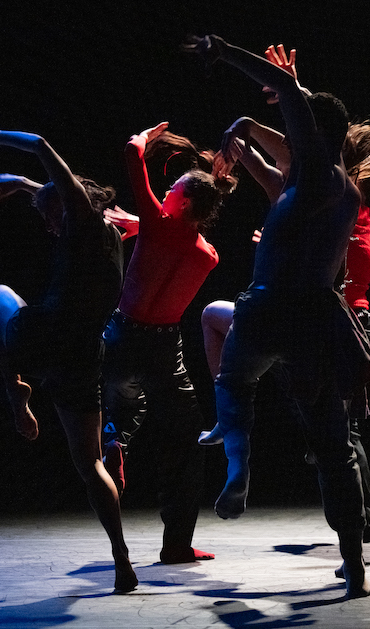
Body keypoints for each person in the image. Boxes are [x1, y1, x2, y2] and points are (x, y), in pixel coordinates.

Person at [185, 34, 370, 598]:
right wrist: (243, 145)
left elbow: (293, 98)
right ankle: (355, 569)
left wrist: (223, 52)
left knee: (236, 380)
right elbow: (274, 178)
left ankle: (238, 462)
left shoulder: (319, 172)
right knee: (332, 447)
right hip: (312, 320)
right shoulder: (330, 190)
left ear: (315, 139)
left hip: (272, 307)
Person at [0, 116, 137, 593]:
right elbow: (60, 190)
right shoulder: (110, 231)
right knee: (91, 465)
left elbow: (42, 145)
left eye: (49, 215)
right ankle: (123, 562)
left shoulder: (78, 221)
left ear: (69, 205)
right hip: (83, 357)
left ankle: (14, 391)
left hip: (40, 336)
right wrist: (23, 184)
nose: (47, 224)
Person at [100, 122, 236, 565]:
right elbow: (179, 240)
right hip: (163, 347)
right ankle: (176, 543)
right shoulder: (207, 255)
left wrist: (144, 135)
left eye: (174, 185)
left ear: (184, 199)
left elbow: (130, 152)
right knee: (183, 440)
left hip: (122, 336)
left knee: (119, 408)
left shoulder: (155, 222)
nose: (169, 187)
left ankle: (114, 437)